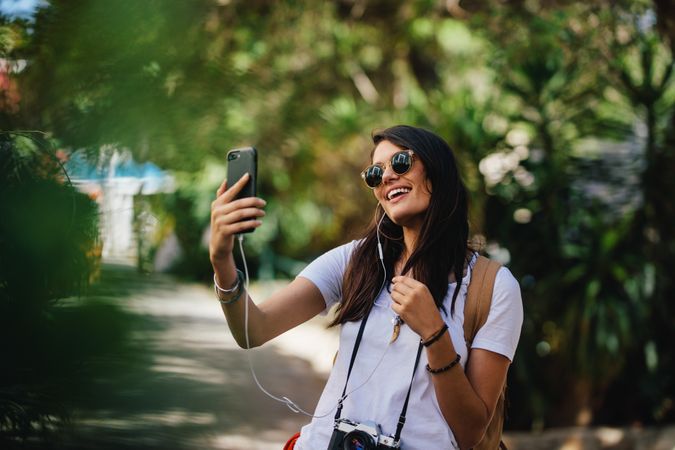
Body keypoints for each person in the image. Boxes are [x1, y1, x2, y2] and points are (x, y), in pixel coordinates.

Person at [209, 125, 523, 450]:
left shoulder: (494, 287)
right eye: (375, 173)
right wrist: (221, 261)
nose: (386, 177)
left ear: (436, 169)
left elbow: (471, 433)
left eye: (400, 163)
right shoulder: (355, 260)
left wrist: (435, 333)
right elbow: (254, 329)